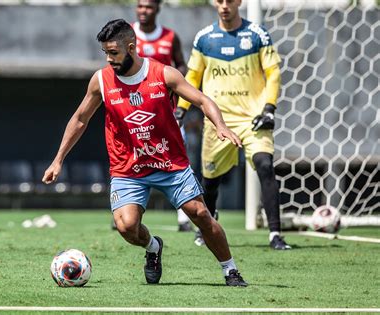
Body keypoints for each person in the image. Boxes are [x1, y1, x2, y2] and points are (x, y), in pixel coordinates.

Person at [42, 19, 247, 286]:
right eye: (105, 53)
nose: (109, 59)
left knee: (199, 213)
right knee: (126, 226)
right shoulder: (101, 80)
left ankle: (230, 270)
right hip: (128, 169)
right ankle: (153, 248)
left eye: (113, 53)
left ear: (131, 47)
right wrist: (58, 160)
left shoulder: (164, 74)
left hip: (169, 163)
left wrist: (220, 125)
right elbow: (80, 119)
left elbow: (202, 100)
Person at [175, 0, 291, 250]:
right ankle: (207, 224)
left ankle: (275, 234)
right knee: (210, 180)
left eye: (230, 0)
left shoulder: (258, 34)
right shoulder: (204, 38)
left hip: (253, 118)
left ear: (239, 2)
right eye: (220, 0)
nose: (225, 5)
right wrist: (181, 109)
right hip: (218, 120)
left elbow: (273, 73)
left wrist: (269, 107)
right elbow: (192, 77)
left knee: (265, 165)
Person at [132, 0, 192, 232]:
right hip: (134, 114)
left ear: (157, 8)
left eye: (148, 6)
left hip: (166, 115)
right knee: (130, 159)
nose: (143, 10)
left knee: (177, 160)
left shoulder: (170, 37)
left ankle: (184, 218)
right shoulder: (128, 33)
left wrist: (172, 82)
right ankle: (125, 211)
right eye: (140, 6)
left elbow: (182, 66)